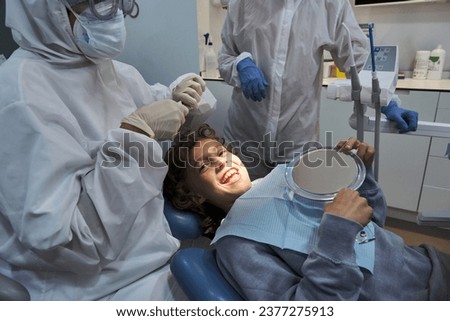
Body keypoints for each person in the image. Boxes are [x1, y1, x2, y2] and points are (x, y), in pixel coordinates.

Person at [0, 0, 210, 300]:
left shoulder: (108, 68)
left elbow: (149, 110)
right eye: (90, 3)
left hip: (153, 258)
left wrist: (179, 98)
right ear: (45, 9)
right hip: (93, 288)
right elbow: (68, 243)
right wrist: (136, 135)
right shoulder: (20, 95)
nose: (107, 14)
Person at [164, 124, 450, 300]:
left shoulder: (287, 174)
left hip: (425, 261)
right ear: (192, 196)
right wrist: (337, 233)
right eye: (202, 166)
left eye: (221, 152)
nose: (219, 162)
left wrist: (361, 176)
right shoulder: (236, 244)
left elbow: (372, 227)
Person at [218, 0, 419, 179]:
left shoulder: (330, 4)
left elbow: (357, 59)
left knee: (295, 210)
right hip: (244, 136)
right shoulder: (241, 4)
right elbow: (225, 56)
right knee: (238, 208)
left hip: (296, 140)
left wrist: (389, 102)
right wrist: (240, 65)